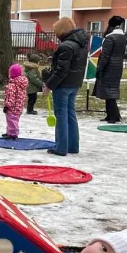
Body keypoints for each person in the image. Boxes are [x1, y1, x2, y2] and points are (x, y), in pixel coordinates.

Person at [43, 17, 88, 157]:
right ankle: (73, 146)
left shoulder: (66, 46)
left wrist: (49, 85)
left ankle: (61, 147)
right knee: (70, 114)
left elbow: (61, 70)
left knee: (61, 115)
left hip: (62, 85)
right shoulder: (81, 44)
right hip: (74, 84)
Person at [94, 16, 127, 124]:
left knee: (108, 93)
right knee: (111, 90)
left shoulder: (110, 38)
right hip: (118, 66)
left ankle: (113, 116)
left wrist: (99, 68)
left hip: (109, 67)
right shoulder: (123, 37)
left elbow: (105, 56)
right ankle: (112, 115)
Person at [3, 63, 28, 140]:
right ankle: (9, 132)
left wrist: (7, 105)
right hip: (19, 106)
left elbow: (10, 97)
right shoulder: (21, 84)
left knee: (11, 120)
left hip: (12, 107)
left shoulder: (12, 85)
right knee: (14, 120)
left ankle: (13, 134)